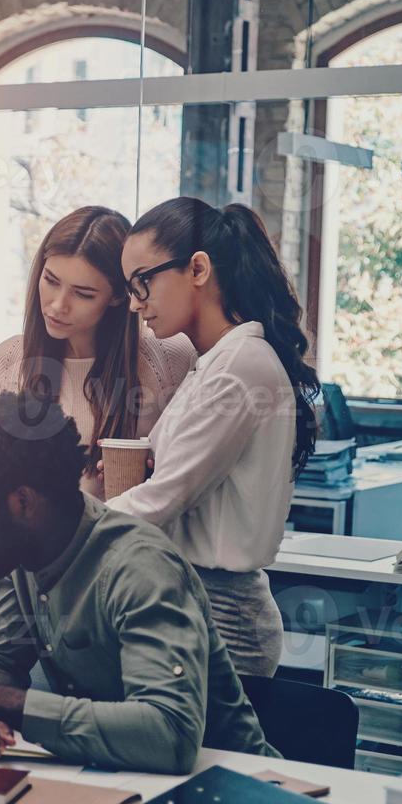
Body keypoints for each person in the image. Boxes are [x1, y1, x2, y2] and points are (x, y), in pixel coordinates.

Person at [0, 393, 275, 775]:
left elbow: (171, 736)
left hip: (233, 793)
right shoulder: (20, 555)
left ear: (22, 503)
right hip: (119, 787)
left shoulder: (139, 567)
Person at [106, 198, 321, 677]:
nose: (136, 302)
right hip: (195, 603)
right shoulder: (217, 361)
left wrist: (56, 526)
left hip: (224, 617)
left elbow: (162, 501)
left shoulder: (239, 366)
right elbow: (174, 477)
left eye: (144, 281)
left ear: (197, 269)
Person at [0, 206, 194, 496]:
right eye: (50, 280)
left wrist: (155, 469)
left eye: (83, 294)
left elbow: (190, 470)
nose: (58, 305)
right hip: (36, 540)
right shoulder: (10, 359)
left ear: (119, 296)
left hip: (128, 535)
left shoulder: (170, 357)